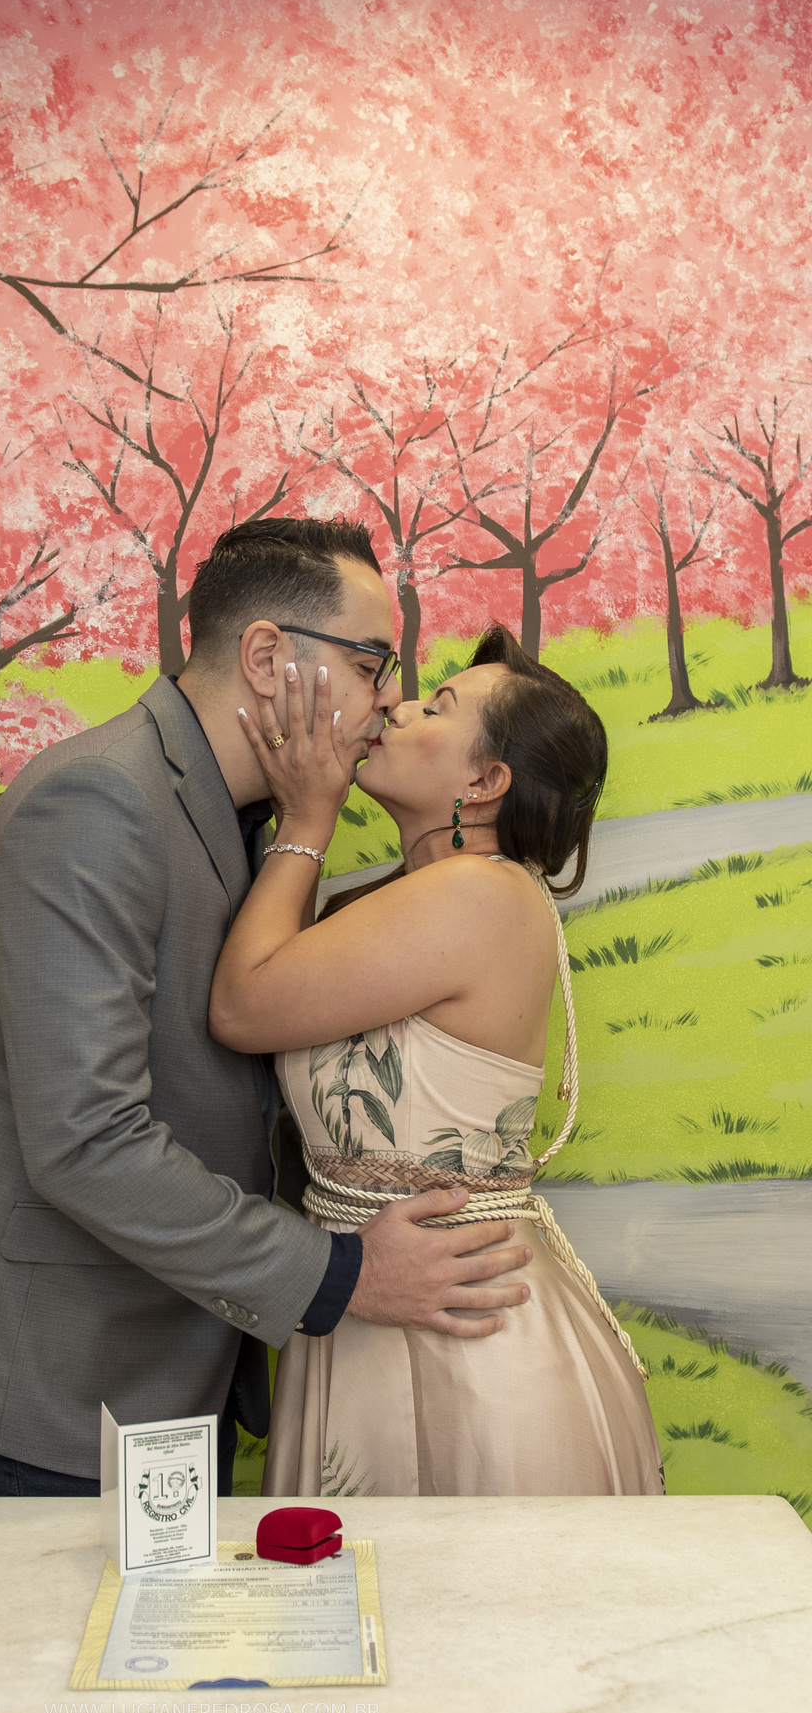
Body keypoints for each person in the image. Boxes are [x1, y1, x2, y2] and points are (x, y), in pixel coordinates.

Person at [0, 520, 537, 1498]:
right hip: (47, 1394)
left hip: (179, 1377)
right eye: (370, 665)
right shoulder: (97, 802)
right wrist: (342, 1273)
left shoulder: (251, 818)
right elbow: (86, 1140)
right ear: (266, 658)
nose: (387, 699)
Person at [209, 622, 663, 1497]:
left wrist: (306, 819)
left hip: (471, 1342)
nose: (399, 705)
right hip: (376, 1299)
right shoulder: (396, 900)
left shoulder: (479, 894)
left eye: (438, 705)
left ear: (485, 782)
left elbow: (240, 1006)